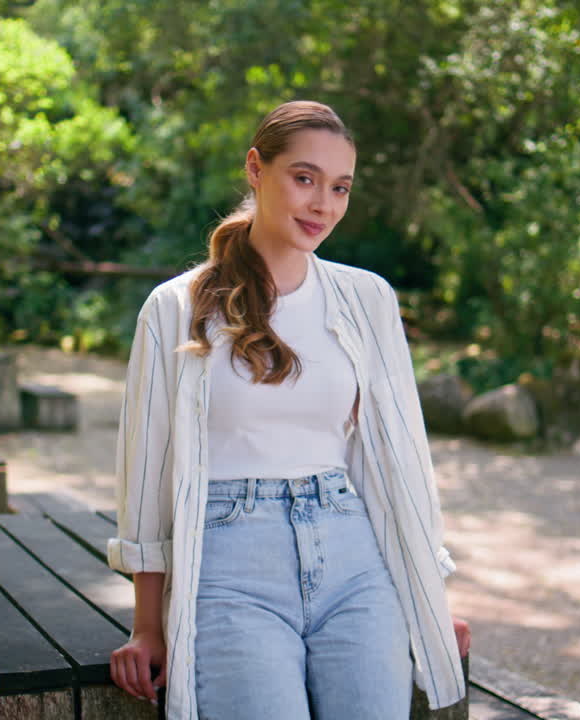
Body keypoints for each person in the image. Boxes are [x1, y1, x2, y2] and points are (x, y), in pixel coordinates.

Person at [107, 100, 470, 720]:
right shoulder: (175, 308)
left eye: (340, 187)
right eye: (304, 178)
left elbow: (405, 459)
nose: (322, 204)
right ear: (256, 168)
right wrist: (148, 625)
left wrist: (429, 598)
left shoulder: (367, 299)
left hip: (353, 556)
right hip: (229, 567)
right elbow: (145, 473)